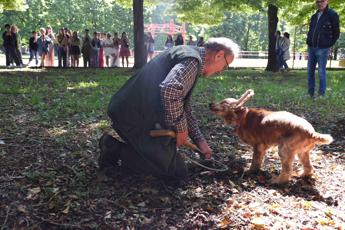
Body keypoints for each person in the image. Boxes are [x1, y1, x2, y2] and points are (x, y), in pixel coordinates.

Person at [99, 37, 239, 182]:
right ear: (219, 55)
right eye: (225, 66)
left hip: (133, 111)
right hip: (133, 116)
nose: (221, 71)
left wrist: (200, 142)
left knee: (171, 166)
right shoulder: (192, 61)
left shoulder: (188, 54)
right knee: (173, 173)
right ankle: (115, 149)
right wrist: (181, 128)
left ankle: (135, 150)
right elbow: (170, 89)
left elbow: (183, 107)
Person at [306, 0, 339, 97]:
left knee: (321, 71)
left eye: (322, 1)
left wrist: (328, 44)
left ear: (327, 1)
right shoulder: (314, 16)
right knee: (309, 71)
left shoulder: (332, 14)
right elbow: (310, 31)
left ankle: (321, 95)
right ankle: (310, 93)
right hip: (311, 47)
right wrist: (309, 42)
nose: (319, 3)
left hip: (323, 48)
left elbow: (336, 32)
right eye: (317, 1)